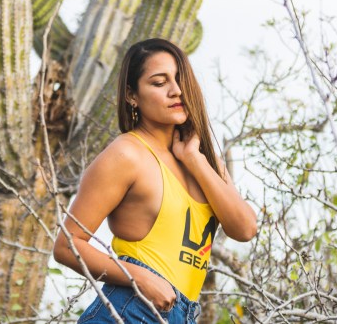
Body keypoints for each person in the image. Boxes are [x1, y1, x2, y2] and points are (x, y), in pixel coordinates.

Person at [53, 38, 258, 323]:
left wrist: (194, 159)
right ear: (132, 95)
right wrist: (138, 277)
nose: (176, 90)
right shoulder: (127, 154)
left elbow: (245, 228)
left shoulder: (202, 158)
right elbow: (66, 246)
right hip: (132, 309)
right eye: (159, 83)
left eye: (180, 79)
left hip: (181, 313)